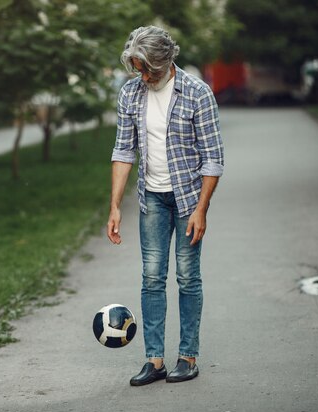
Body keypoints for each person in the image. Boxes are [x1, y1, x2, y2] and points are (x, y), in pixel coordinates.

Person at [106, 26, 224, 386]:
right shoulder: (131, 93)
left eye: (148, 71)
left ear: (166, 61)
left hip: (189, 198)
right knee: (152, 277)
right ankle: (154, 361)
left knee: (188, 277)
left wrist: (201, 209)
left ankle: (187, 356)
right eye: (138, 70)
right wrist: (113, 206)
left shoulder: (197, 93)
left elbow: (213, 158)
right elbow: (124, 150)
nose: (143, 77)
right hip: (152, 198)